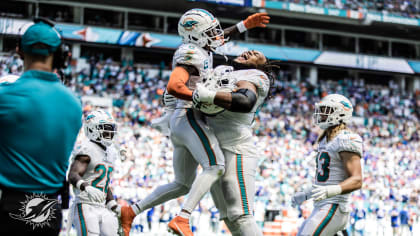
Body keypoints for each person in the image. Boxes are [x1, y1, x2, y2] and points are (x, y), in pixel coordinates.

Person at [120, 8, 270, 236]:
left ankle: (131, 211)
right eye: (210, 31)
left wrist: (243, 26)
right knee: (216, 166)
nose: (217, 35)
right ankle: (183, 218)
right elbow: (174, 86)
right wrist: (199, 96)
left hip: (183, 122)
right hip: (189, 116)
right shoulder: (193, 53)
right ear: (197, 35)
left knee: (182, 183)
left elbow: (217, 38)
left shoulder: (202, 48)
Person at [0, 19, 82, 235]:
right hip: (49, 212)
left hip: (10, 208)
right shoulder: (74, 103)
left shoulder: (5, 97)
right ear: (60, 54)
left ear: (19, 51)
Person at [192, 50, 274, 235]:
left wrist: (211, 96)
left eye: (257, 54)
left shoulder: (255, 75)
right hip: (215, 153)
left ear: (262, 66)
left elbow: (246, 100)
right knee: (228, 216)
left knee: (241, 215)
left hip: (236, 150)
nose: (250, 51)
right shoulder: (223, 71)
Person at [291, 94, 364, 236]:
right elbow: (326, 180)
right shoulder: (325, 139)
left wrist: (331, 190)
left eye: (327, 110)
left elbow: (357, 180)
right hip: (320, 206)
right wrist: (306, 194)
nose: (322, 114)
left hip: (334, 206)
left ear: (340, 113)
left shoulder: (346, 139)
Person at [68, 110, 121, 236]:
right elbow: (73, 174)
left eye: (111, 128)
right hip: (85, 204)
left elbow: (103, 183)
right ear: (92, 129)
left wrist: (112, 203)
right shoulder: (88, 148)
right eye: (105, 129)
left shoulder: (111, 152)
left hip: (102, 206)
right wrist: (86, 187)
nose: (110, 133)